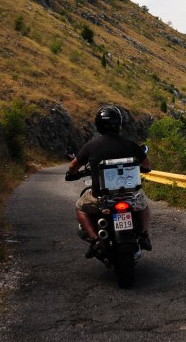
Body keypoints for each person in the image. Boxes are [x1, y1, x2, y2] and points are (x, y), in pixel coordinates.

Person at [65, 105, 152, 257]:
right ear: (119, 124)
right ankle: (144, 234)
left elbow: (73, 165)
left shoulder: (91, 145)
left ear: (98, 125)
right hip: (129, 196)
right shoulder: (130, 144)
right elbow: (146, 165)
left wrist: (71, 173)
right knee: (143, 205)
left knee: (80, 208)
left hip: (101, 198)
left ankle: (95, 239)